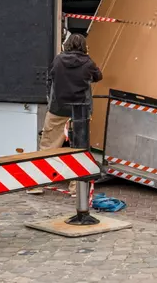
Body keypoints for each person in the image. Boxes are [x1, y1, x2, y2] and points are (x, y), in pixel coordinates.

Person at [27, 33, 103, 196]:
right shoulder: (88, 62)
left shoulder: (58, 60)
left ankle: (37, 184)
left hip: (57, 109)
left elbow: (51, 77)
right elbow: (99, 76)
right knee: (78, 149)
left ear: (66, 44)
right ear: (84, 47)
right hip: (79, 112)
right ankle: (76, 189)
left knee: (47, 147)